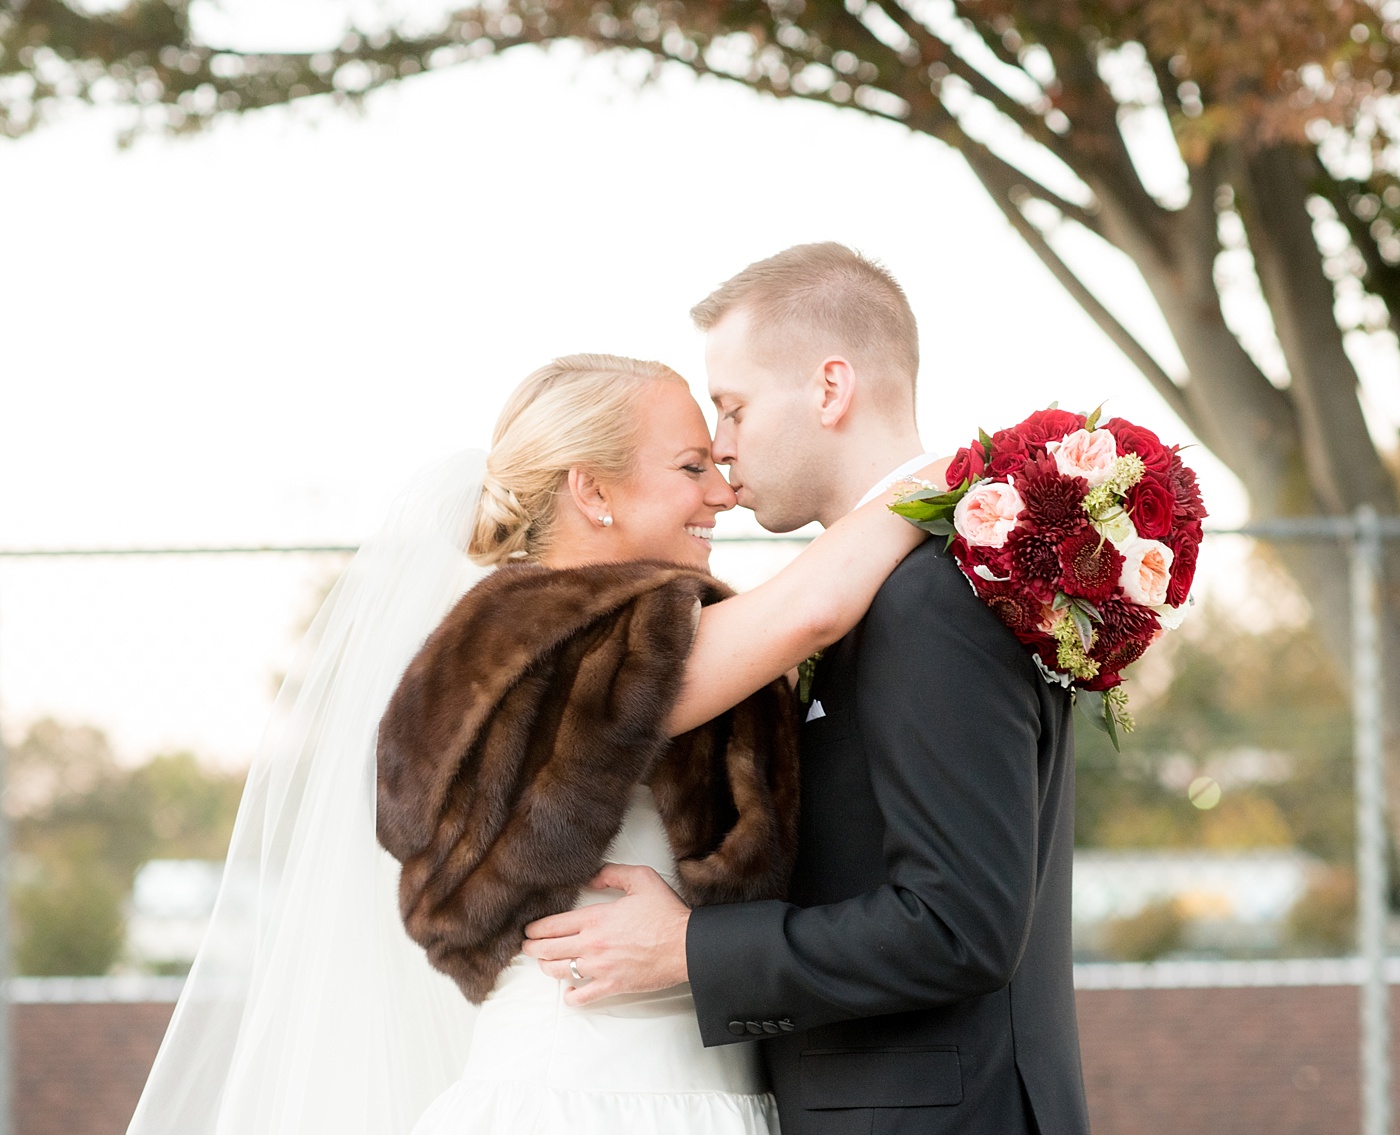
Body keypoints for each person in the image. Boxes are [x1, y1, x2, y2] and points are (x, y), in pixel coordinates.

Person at [126, 352, 944, 1135]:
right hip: (587, 1099)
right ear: (591, 489)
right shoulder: (540, 640)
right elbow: (812, 609)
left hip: (681, 1090)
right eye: (691, 467)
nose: (724, 493)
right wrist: (961, 477)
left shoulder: (570, 629)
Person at [522, 244, 1092, 1134]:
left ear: (830, 389)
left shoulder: (930, 597)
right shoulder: (873, 589)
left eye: (734, 405)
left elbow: (959, 924)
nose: (720, 445)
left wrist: (688, 948)